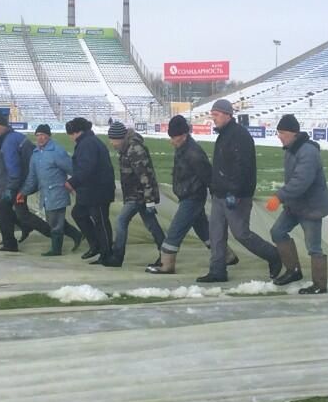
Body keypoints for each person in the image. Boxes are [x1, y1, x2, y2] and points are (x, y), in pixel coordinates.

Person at [197, 99, 282, 283]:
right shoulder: (225, 135)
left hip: (235, 195)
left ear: (227, 115)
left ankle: (274, 255)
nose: (213, 118)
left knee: (241, 234)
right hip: (220, 194)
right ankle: (217, 270)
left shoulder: (239, 136)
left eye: (216, 115)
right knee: (216, 233)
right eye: (213, 115)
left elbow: (243, 169)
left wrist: (233, 193)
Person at [147, 114, 234, 275]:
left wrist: (219, 197)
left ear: (184, 135)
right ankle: (227, 255)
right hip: (189, 196)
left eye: (174, 137)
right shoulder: (183, 149)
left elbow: (208, 177)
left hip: (192, 198)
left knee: (175, 231)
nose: (171, 141)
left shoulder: (193, 153)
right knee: (204, 230)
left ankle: (167, 264)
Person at [266, 114, 328, 294]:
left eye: (281, 133)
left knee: (314, 247)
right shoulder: (291, 149)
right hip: (295, 205)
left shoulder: (308, 152)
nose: (279, 136)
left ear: (292, 133)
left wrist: (279, 197)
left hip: (311, 207)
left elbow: (301, 181)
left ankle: (320, 285)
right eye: (278, 132)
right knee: (277, 232)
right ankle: (293, 270)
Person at [103, 121, 165, 267]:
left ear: (120, 138)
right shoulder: (128, 148)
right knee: (152, 225)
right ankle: (166, 253)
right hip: (138, 194)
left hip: (138, 195)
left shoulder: (134, 150)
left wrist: (149, 199)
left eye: (113, 139)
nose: (111, 143)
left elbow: (145, 175)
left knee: (121, 221)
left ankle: (117, 256)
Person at [17, 125, 84, 256]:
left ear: (49, 136)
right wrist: (23, 192)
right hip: (45, 194)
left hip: (57, 192)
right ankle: (77, 235)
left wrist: (74, 184)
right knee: (54, 220)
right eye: (38, 135)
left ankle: (56, 249)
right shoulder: (35, 154)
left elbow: (72, 169)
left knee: (55, 222)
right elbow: (32, 177)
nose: (40, 138)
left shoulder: (57, 151)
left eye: (43, 135)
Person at [66, 117, 116, 265]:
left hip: (98, 190)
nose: (69, 137)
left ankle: (106, 254)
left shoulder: (87, 144)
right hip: (90, 190)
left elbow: (87, 168)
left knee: (100, 221)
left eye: (70, 133)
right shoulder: (88, 141)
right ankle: (96, 245)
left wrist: (72, 182)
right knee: (78, 213)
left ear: (76, 132)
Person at [0, 113, 31, 252]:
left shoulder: (8, 141)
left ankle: (10, 243)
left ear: (4, 126)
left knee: (2, 209)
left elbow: (13, 167)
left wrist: (10, 188)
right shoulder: (12, 137)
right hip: (23, 179)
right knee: (21, 212)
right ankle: (19, 234)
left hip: (18, 181)